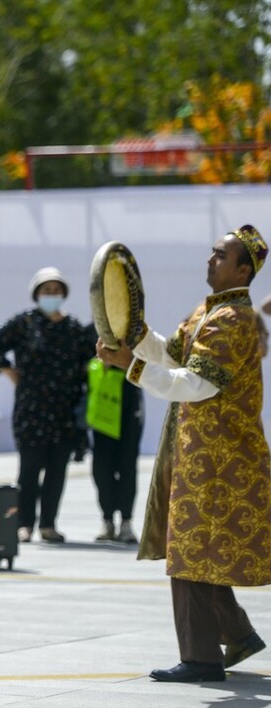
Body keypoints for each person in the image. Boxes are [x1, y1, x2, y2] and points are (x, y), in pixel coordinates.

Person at [98, 225, 270, 683]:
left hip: (219, 459)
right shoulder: (209, 313)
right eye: (212, 253)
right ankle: (236, 636)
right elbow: (171, 356)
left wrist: (130, 367)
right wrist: (134, 335)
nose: (210, 260)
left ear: (242, 268)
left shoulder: (232, 320)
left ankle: (201, 659)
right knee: (198, 550)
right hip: (202, 453)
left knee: (191, 551)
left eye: (220, 255)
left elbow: (196, 384)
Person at [0, 267, 96, 543]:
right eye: (47, 290)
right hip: (31, 410)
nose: (52, 295)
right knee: (30, 468)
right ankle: (24, 524)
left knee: (57, 469)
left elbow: (90, 359)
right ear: (36, 294)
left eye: (57, 291)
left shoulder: (73, 328)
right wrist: (7, 370)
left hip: (64, 411)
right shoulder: (25, 323)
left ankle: (48, 524)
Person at [86, 358, 143, 543]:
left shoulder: (135, 333)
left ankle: (126, 522)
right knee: (102, 469)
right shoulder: (92, 334)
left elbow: (146, 363)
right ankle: (107, 519)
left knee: (127, 467)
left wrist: (123, 361)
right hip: (104, 410)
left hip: (128, 407)